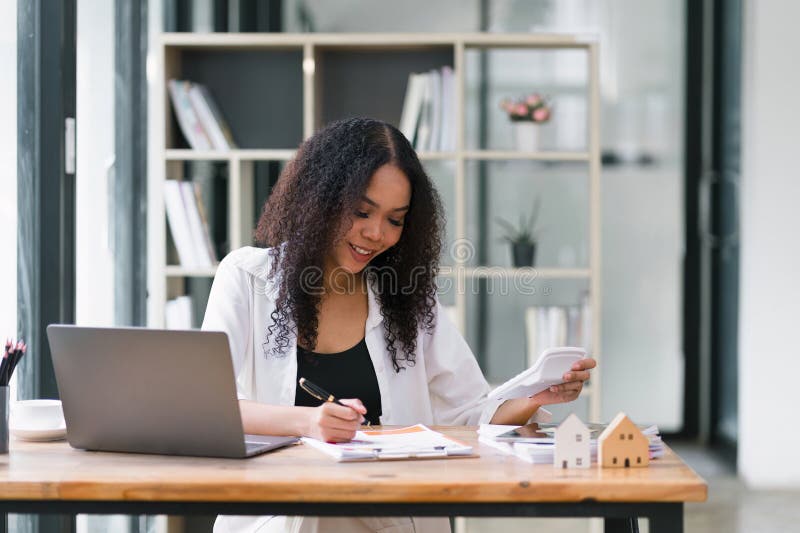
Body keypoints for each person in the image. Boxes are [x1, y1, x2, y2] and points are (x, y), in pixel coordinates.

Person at [202, 117, 596, 533]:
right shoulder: (248, 277)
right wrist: (307, 422)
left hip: (389, 517)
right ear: (320, 199)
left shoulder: (404, 296)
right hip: (286, 515)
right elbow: (208, 408)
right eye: (361, 212)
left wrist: (534, 396)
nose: (375, 234)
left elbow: (466, 414)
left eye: (395, 219)